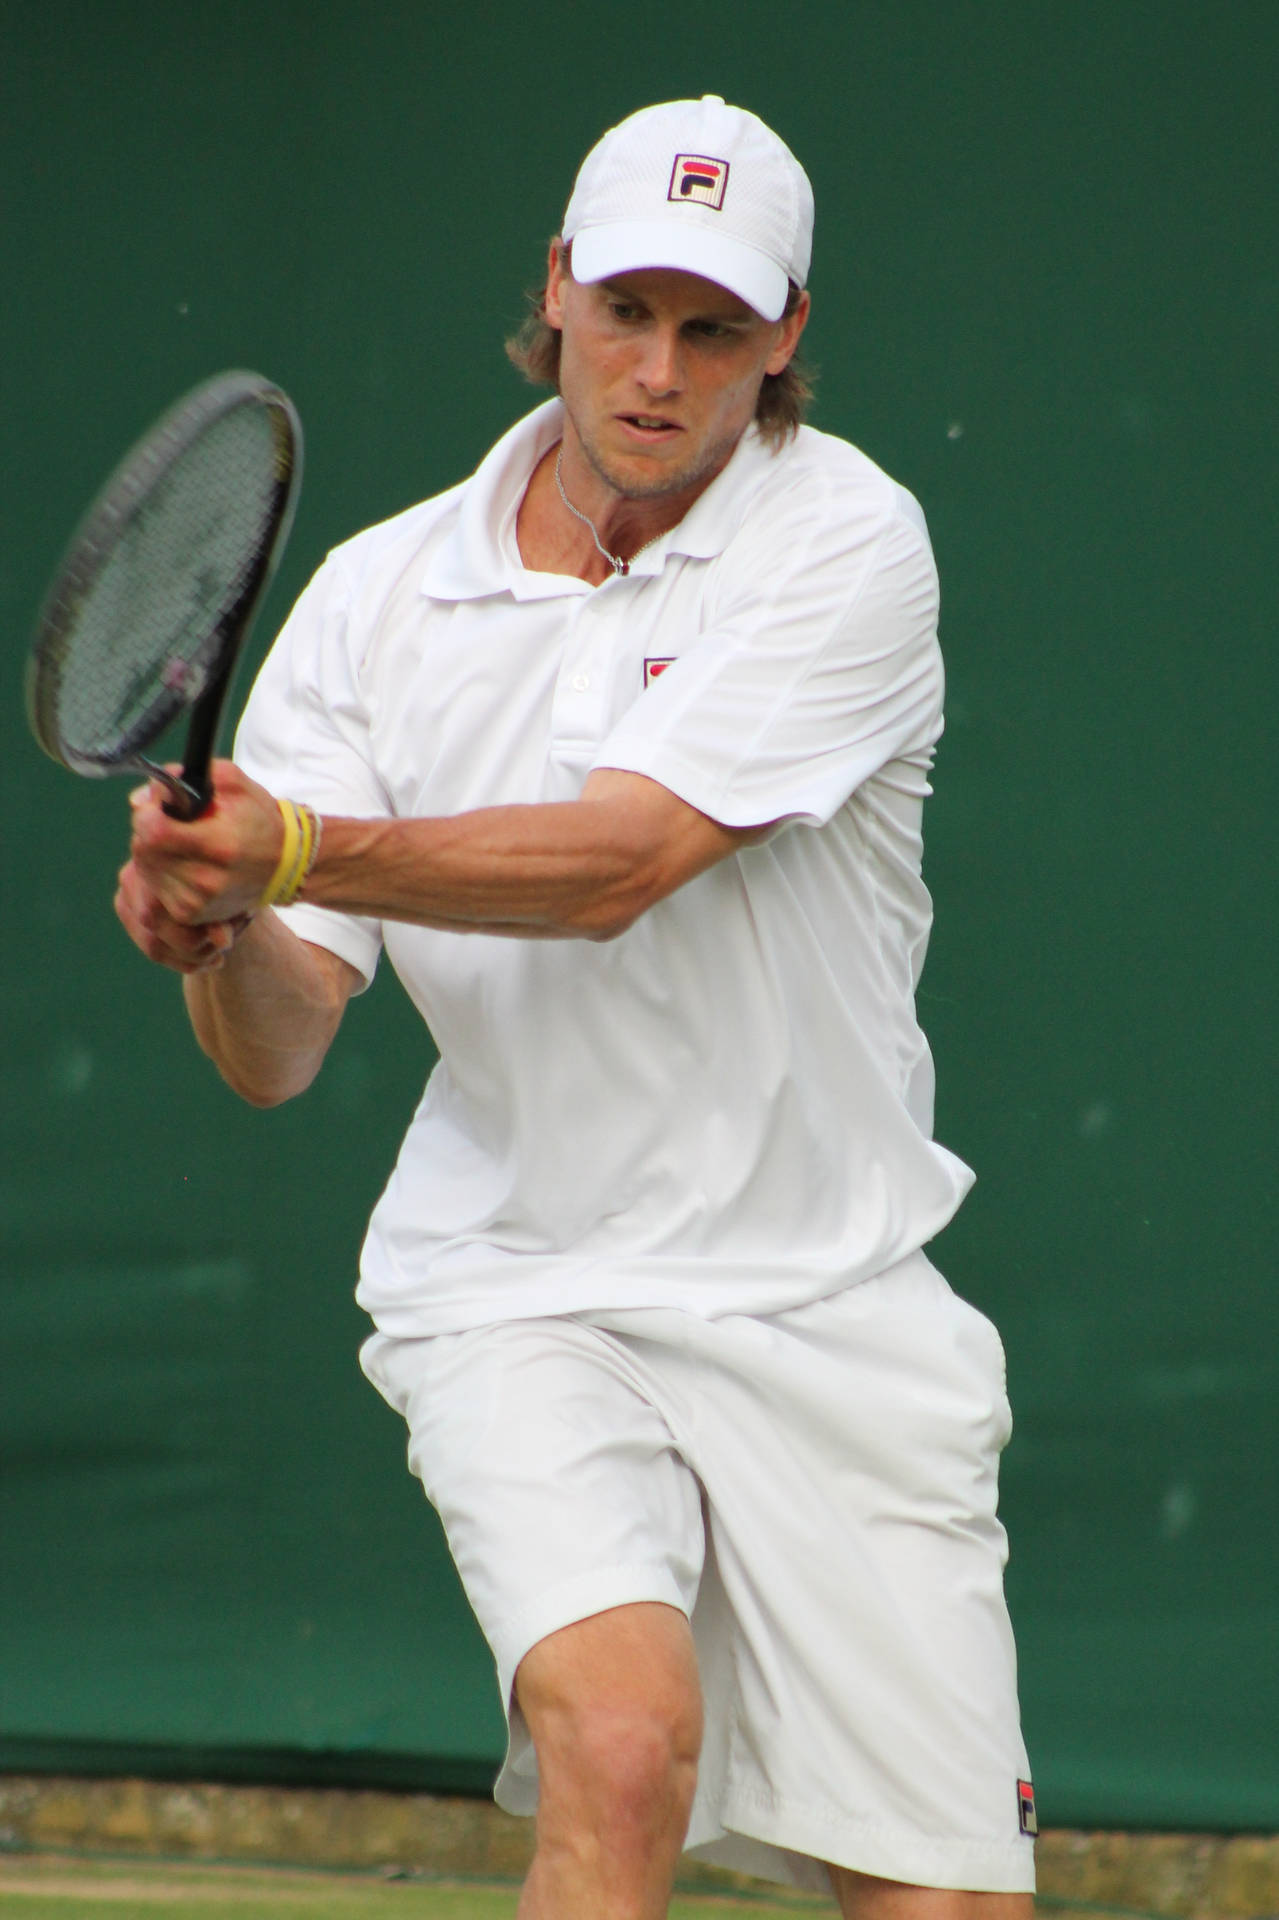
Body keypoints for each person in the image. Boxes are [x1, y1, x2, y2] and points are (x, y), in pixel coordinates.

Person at [116, 95, 1036, 1920]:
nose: (658, 370)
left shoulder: (850, 542)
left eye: (714, 329)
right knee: (618, 1749)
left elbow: (617, 865)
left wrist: (291, 841)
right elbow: (285, 1052)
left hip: (833, 1301)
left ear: (784, 339)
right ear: (556, 291)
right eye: (626, 311)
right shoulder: (380, 597)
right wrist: (225, 934)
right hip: (522, 1286)